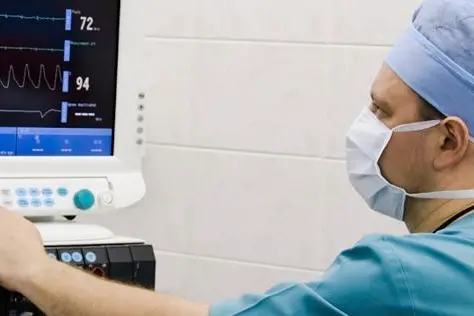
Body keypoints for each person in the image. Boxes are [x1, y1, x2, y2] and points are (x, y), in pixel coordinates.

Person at [1, 0, 474, 315]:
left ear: (449, 141)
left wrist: (33, 269)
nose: (364, 124)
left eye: (381, 110)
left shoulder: (405, 279)